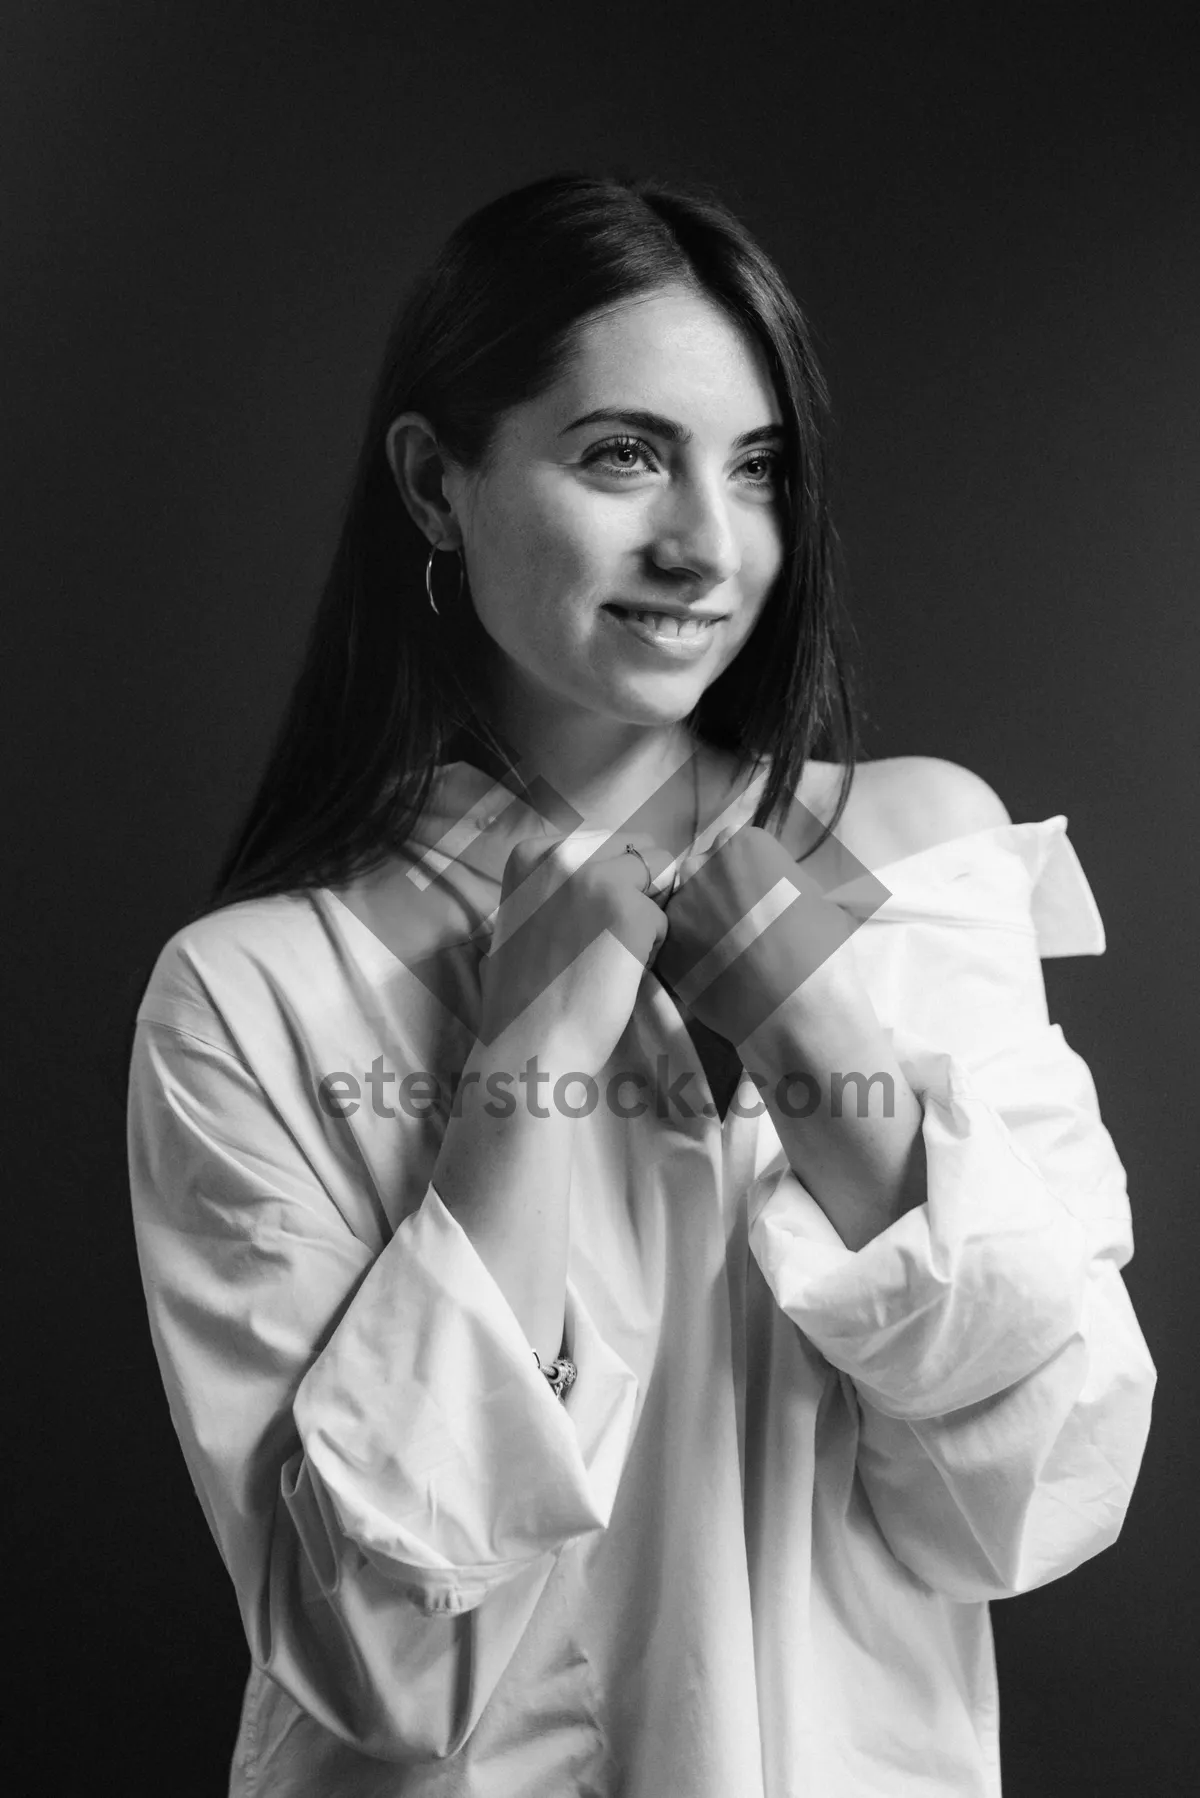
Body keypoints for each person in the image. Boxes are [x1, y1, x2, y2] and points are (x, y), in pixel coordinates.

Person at [127, 171, 1156, 1797]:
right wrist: (521, 1089)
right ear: (434, 481)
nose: (704, 544)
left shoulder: (921, 860)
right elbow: (377, 1665)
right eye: (622, 453)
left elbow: (1033, 1493)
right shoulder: (255, 993)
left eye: (757, 472)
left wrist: (820, 1041)